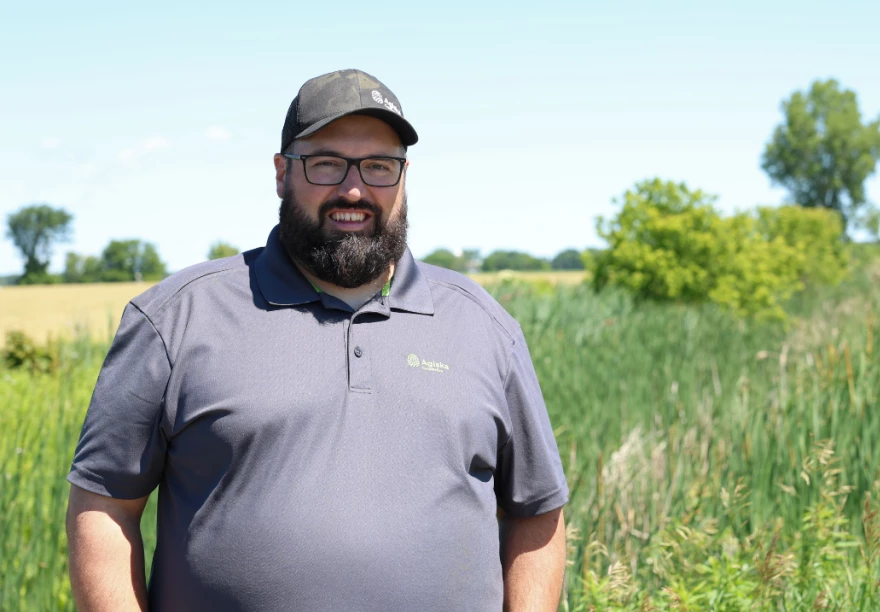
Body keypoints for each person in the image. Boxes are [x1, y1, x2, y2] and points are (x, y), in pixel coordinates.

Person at [65, 68, 569, 612]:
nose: (353, 188)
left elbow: (536, 511)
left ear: (404, 178)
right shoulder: (176, 319)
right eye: (326, 162)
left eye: (379, 166)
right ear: (282, 173)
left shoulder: (482, 326)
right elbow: (105, 506)